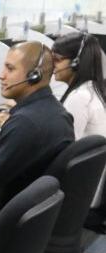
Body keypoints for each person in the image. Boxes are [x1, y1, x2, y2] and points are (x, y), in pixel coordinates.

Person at [0, 41, 74, 210]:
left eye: (10, 69)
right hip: (37, 215)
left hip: (6, 215)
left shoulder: (25, 123)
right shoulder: (58, 112)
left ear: (34, 75)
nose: (1, 75)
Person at [53, 32, 106, 224]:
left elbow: (62, 151)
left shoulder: (79, 98)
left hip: (78, 196)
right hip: (90, 189)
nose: (53, 66)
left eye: (58, 60)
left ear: (76, 63)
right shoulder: (93, 90)